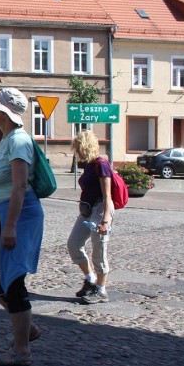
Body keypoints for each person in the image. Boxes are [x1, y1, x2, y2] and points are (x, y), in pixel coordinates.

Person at [0, 87, 44, 366]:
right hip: (2, 214)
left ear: (1, 111)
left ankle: (21, 350)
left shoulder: (19, 141)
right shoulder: (5, 140)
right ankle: (26, 328)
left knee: (13, 280)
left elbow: (19, 186)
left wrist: (12, 227)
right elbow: (4, 180)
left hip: (20, 216)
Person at [67, 129, 113, 304]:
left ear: (85, 147)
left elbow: (107, 195)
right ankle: (90, 279)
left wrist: (105, 220)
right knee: (74, 244)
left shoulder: (101, 165)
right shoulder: (88, 164)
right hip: (87, 210)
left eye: (78, 148)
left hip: (100, 209)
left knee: (99, 249)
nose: (76, 152)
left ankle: (101, 290)